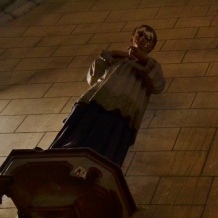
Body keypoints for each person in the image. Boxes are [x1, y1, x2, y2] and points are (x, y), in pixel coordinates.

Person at [49, 25, 165, 167]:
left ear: (152, 47)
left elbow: (158, 85)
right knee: (80, 130)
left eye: (148, 38)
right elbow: (93, 77)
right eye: (140, 34)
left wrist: (144, 60)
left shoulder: (152, 67)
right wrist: (114, 54)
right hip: (96, 99)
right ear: (132, 37)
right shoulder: (115, 59)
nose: (142, 39)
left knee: (108, 140)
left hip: (122, 110)